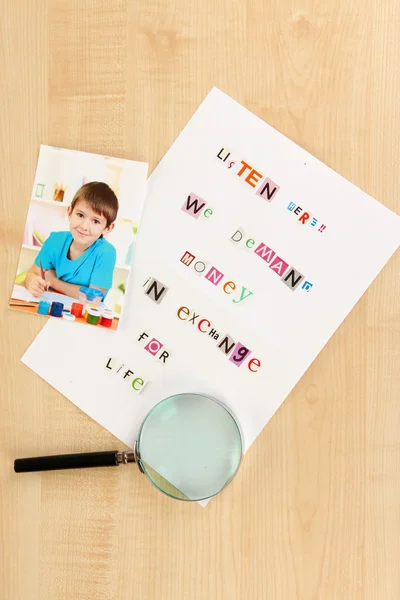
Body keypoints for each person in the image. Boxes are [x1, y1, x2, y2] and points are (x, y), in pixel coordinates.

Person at [24, 181, 118, 300]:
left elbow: (94, 297)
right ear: (69, 212)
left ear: (107, 228)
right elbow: (32, 273)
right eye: (80, 215)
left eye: (95, 221)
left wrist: (53, 281)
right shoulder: (55, 240)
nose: (84, 226)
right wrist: (32, 283)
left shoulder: (106, 252)